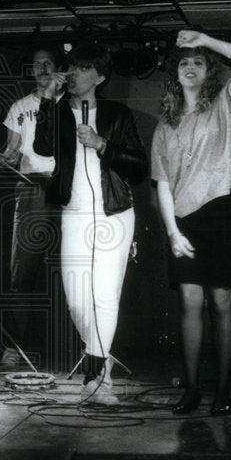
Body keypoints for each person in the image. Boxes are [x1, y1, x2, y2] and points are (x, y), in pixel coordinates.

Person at [150, 30, 231, 416]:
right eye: (184, 61)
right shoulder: (164, 126)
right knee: (189, 301)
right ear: (174, 74)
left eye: (198, 61)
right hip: (183, 222)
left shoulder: (227, 102)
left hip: (224, 212)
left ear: (209, 70)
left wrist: (206, 40)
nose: (191, 67)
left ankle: (224, 389)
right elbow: (162, 184)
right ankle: (193, 389)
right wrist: (172, 232)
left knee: (221, 302)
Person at [32, 42, 150, 405]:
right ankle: (100, 364)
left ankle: (96, 377)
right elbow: (41, 147)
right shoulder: (58, 110)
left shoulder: (117, 113)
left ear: (99, 76)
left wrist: (102, 145)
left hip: (114, 213)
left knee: (105, 296)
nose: (74, 74)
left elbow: (139, 168)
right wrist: (48, 101)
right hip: (75, 213)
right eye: (72, 67)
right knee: (78, 300)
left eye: (83, 69)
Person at [0, 46, 67, 369]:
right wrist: (5, 158)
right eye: (36, 64)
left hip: (68, 187)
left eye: (47, 63)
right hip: (30, 189)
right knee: (21, 273)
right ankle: (15, 347)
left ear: (58, 69)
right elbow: (11, 152)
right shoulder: (19, 107)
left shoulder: (71, 102)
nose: (41, 68)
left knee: (75, 268)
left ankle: (81, 345)